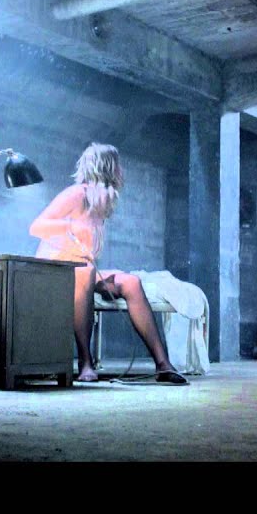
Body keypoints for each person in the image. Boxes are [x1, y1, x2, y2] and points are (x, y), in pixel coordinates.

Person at [30, 143, 188, 385]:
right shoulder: (77, 193)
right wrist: (73, 227)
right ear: (106, 167)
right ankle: (85, 362)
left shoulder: (102, 203)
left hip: (80, 267)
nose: (121, 171)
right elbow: (37, 226)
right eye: (118, 165)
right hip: (54, 268)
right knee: (85, 271)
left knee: (131, 282)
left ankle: (163, 365)